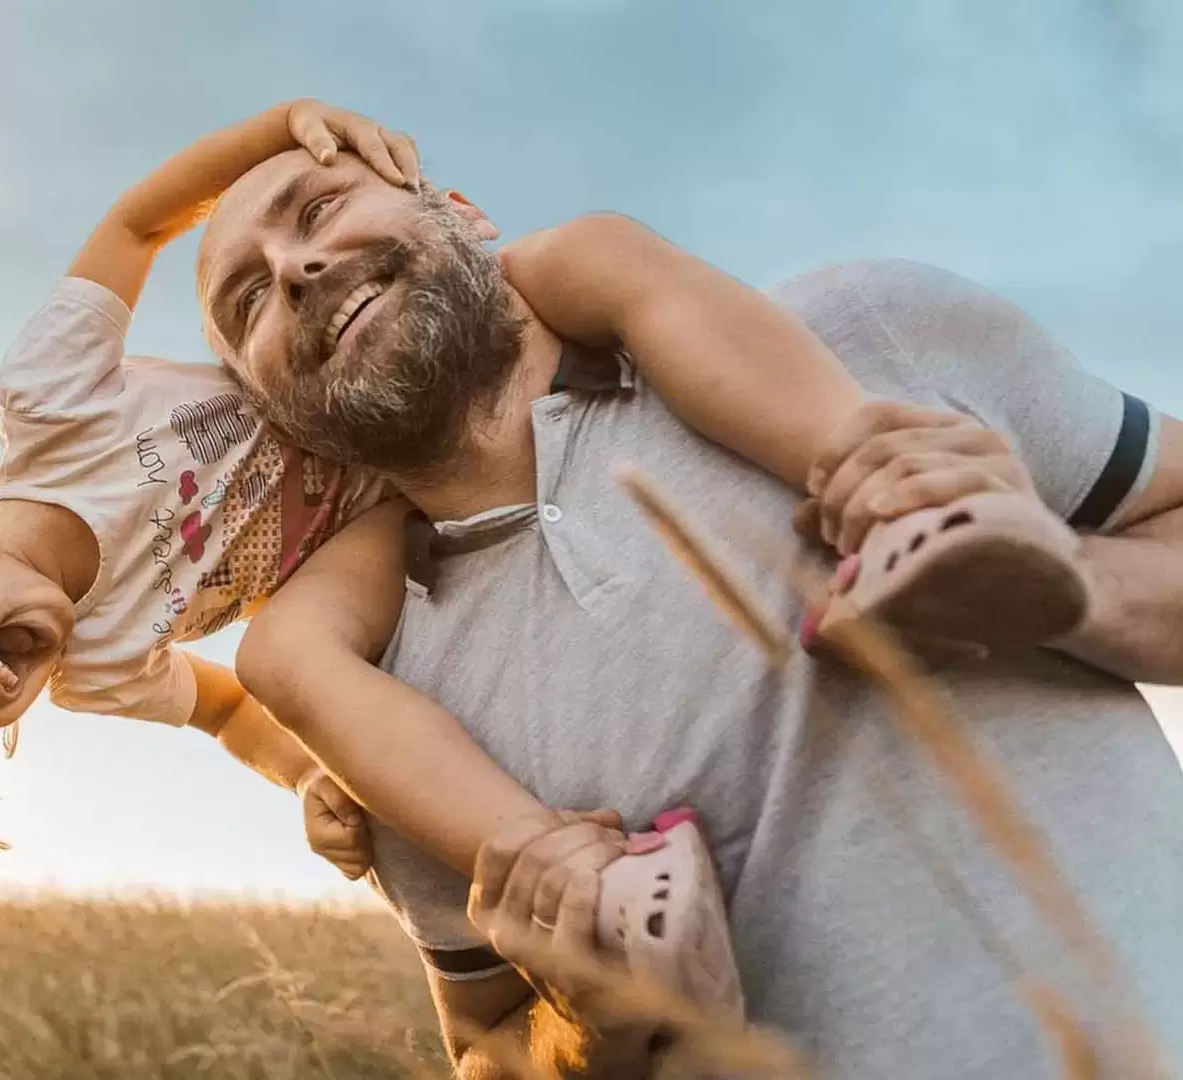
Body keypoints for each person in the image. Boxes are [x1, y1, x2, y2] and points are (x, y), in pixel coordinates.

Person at [199, 145, 1183, 1078]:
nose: (298, 268)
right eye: (249, 299)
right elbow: (483, 1046)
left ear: (461, 213)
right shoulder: (382, 716)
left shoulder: (864, 333)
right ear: (279, 415)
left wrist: (1071, 585)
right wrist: (589, 1026)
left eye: (319, 209)